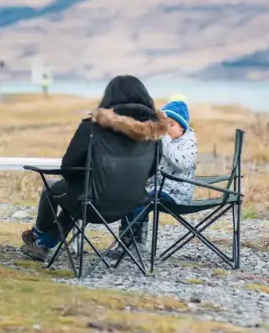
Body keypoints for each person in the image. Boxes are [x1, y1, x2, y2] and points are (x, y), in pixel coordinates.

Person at [19, 75, 170, 261]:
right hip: (133, 203)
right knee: (81, 199)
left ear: (109, 97)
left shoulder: (92, 128)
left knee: (57, 190)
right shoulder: (154, 132)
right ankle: (41, 243)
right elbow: (153, 169)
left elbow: (68, 167)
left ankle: (38, 234)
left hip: (92, 201)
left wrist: (85, 178)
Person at [117, 95, 198, 248]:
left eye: (171, 125)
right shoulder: (165, 141)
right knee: (132, 198)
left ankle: (137, 244)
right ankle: (126, 241)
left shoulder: (189, 142)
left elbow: (181, 164)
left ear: (183, 126)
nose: (167, 129)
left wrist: (164, 138)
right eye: (164, 125)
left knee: (143, 201)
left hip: (178, 193)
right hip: (158, 188)